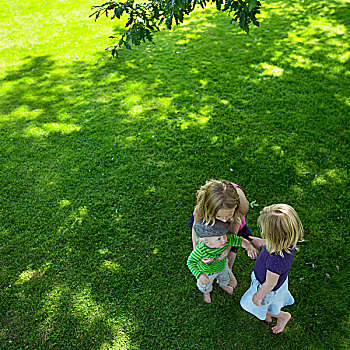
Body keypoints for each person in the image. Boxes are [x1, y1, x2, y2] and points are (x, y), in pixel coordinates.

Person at [240, 204, 304, 334]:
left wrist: (259, 295)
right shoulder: (286, 243)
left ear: (274, 237)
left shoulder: (275, 260)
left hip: (267, 289)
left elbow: (270, 283)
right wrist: (263, 242)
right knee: (270, 305)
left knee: (252, 304)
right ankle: (269, 313)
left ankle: (282, 316)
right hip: (275, 285)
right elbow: (275, 240)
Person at [189, 179, 264, 288]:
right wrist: (197, 251)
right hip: (212, 217)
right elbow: (196, 230)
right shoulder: (203, 207)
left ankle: (228, 270)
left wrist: (228, 247)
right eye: (219, 216)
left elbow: (232, 234)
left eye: (228, 215)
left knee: (231, 249)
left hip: (234, 221)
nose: (224, 221)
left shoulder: (242, 206)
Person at [187, 219, 258, 304]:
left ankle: (224, 286)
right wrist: (200, 275)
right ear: (207, 242)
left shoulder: (226, 240)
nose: (224, 240)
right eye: (219, 238)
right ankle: (206, 292)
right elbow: (190, 262)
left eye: (224, 235)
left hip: (222, 266)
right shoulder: (201, 250)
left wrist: (249, 247)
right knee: (205, 284)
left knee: (225, 278)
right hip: (207, 272)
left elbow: (239, 240)